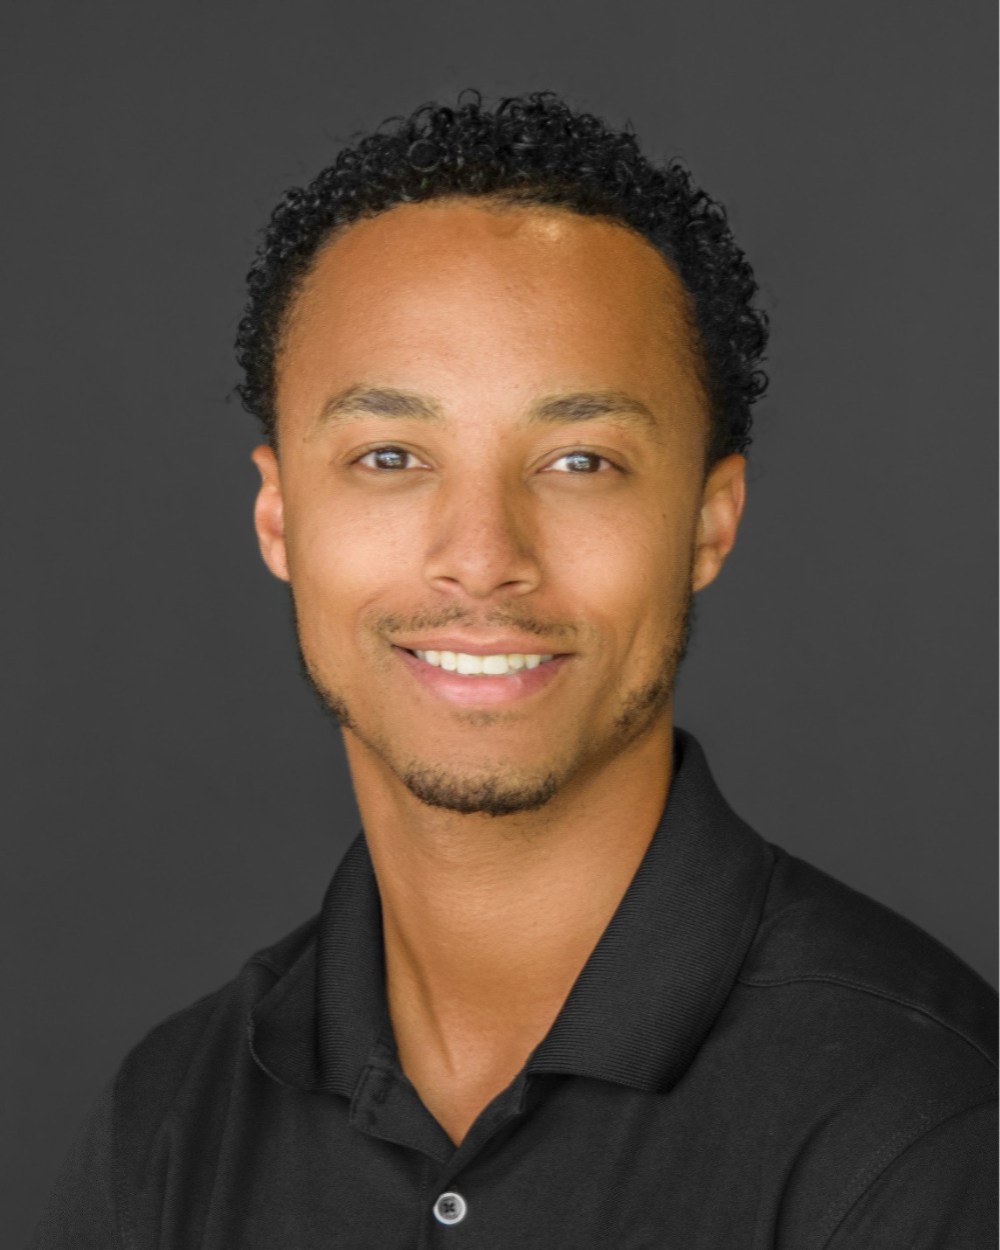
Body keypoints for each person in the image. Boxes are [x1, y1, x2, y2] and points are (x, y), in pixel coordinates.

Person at [30, 91, 996, 1249]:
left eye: (579, 460)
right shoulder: (168, 1127)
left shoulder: (922, 1130)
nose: (483, 556)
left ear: (709, 520)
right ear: (279, 515)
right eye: (391, 455)